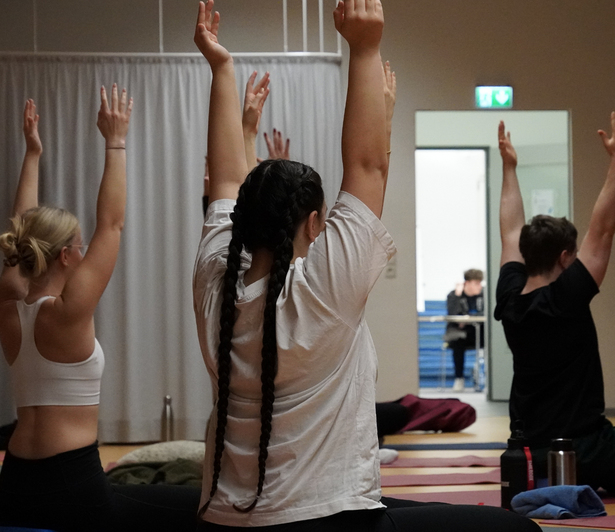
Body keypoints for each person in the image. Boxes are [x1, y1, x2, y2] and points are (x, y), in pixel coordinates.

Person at [191, 0, 536, 530]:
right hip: (324, 520)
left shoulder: (215, 284)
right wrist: (365, 49)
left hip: (222, 519)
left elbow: (223, 184)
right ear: (313, 223)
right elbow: (367, 165)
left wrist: (222, 71)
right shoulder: (322, 292)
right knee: (512, 527)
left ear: (239, 221)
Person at [0, 95, 199, 532]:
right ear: (67, 256)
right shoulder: (67, 314)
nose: (87, 250)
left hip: (11, 491)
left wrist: (32, 155)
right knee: (203, 508)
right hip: (72, 492)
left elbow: (20, 225)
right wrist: (116, 142)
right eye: (81, 246)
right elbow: (112, 224)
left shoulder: (6, 308)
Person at [494, 114, 615, 497]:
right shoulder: (566, 297)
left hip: (527, 455)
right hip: (584, 452)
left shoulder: (510, 298)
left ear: (526, 257)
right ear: (564, 257)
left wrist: (509, 168)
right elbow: (603, 230)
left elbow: (510, 229)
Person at [444, 269, 485, 391]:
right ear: (466, 283)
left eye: (480, 283)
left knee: (491, 340)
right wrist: (457, 295)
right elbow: (452, 314)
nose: (479, 286)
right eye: (476, 283)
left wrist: (468, 318)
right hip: (461, 333)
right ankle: (459, 378)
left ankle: (483, 376)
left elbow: (485, 312)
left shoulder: (484, 295)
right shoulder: (454, 295)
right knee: (457, 343)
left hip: (480, 332)